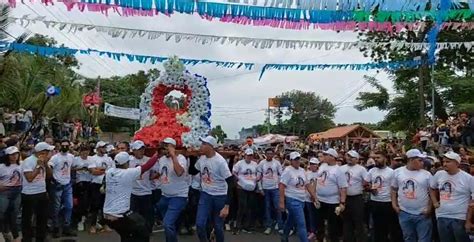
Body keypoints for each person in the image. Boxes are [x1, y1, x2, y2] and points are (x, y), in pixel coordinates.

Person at [102, 151, 159, 242]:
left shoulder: (109, 172)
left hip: (107, 214)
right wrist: (156, 155)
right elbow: (147, 166)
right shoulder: (127, 173)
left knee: (127, 234)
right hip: (119, 215)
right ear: (125, 163)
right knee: (143, 232)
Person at [195, 136, 233, 242]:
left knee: (218, 226)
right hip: (206, 194)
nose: (201, 146)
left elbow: (231, 183)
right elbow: (193, 171)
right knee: (200, 224)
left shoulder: (220, 162)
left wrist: (226, 206)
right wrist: (192, 155)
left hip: (220, 196)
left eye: (203, 144)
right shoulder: (202, 158)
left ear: (210, 147)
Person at [391, 148, 433, 242]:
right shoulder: (397, 172)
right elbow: (394, 189)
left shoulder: (427, 174)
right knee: (409, 238)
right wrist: (394, 205)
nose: (423, 163)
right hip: (404, 212)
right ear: (411, 160)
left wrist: (429, 208)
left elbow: (432, 193)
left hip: (422, 213)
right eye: (420, 160)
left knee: (424, 239)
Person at [431, 151, 473, 242]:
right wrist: (434, 202)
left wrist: (468, 220)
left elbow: (472, 201)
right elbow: (432, 188)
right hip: (441, 215)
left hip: (459, 217)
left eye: (448, 162)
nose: (444, 164)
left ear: (457, 163)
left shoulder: (468, 178)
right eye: (444, 161)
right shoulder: (439, 174)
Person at [156, 138, 189, 242]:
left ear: (173, 147)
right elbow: (161, 173)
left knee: (167, 224)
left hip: (178, 196)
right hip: (164, 196)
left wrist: (173, 155)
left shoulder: (181, 158)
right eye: (163, 145)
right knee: (168, 224)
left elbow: (179, 172)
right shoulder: (161, 159)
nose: (164, 148)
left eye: (167, 146)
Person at [365, 150, 402, 242]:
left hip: (388, 203)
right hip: (375, 202)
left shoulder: (391, 172)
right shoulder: (372, 171)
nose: (376, 160)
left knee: (391, 227)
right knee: (377, 227)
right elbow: (365, 183)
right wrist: (370, 188)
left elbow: (395, 188)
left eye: (378, 158)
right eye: (375, 158)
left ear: (385, 158)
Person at [279, 151, 317, 242]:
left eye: (298, 159)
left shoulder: (302, 170)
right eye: (295, 159)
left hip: (302, 199)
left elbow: (307, 185)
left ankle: (284, 236)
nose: (297, 161)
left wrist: (314, 197)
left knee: (290, 220)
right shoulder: (288, 171)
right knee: (301, 223)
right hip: (292, 199)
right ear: (291, 160)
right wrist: (281, 202)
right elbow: (281, 185)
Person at [21, 142, 53, 242]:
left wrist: (46, 164)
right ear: (41, 152)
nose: (49, 153)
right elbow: (29, 178)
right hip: (29, 194)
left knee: (42, 218)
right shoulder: (28, 161)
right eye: (47, 151)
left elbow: (49, 176)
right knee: (27, 219)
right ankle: (27, 238)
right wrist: (38, 166)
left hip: (42, 192)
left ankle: (40, 238)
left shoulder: (44, 161)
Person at [315, 148, 347, 242]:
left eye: (326, 155)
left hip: (332, 201)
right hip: (320, 199)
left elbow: (343, 187)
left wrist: (342, 202)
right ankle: (320, 239)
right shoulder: (322, 166)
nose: (324, 156)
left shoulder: (338, 170)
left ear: (332, 157)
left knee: (332, 225)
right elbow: (317, 180)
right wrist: (315, 197)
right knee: (319, 224)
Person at [339, 150, 368, 242]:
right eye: (348, 156)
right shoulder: (341, 168)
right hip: (344, 198)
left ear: (357, 159)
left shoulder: (361, 169)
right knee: (346, 221)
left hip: (356, 198)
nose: (349, 158)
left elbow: (367, 181)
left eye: (352, 157)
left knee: (358, 221)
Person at [49, 139, 76, 238]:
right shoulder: (55, 157)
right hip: (57, 185)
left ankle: (66, 227)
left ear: (69, 146)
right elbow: (50, 168)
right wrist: (53, 180)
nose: (65, 147)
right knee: (56, 208)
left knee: (69, 206)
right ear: (60, 146)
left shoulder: (71, 157)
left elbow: (72, 168)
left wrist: (72, 179)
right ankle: (55, 228)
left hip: (68, 184)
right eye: (63, 145)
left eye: (66, 145)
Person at [88, 141, 115, 234]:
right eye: (103, 147)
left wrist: (100, 169)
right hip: (96, 184)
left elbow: (113, 170)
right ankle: (93, 225)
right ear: (98, 148)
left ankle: (105, 224)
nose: (104, 149)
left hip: (107, 183)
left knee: (105, 206)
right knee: (95, 205)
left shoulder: (109, 159)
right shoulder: (92, 158)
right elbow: (93, 171)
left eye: (105, 147)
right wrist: (104, 171)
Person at [129, 140, 154, 237]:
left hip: (146, 192)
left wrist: (152, 177)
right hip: (133, 192)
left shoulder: (148, 159)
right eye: (139, 150)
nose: (141, 152)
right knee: (133, 214)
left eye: (142, 149)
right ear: (134, 150)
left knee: (148, 214)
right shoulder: (129, 161)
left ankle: (147, 231)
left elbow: (157, 171)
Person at [256, 148, 283, 235]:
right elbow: (258, 176)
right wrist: (260, 188)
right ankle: (268, 226)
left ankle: (280, 225)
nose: (269, 155)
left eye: (271, 153)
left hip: (275, 188)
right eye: (268, 153)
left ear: (273, 154)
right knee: (267, 208)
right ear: (265, 154)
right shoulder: (262, 163)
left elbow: (281, 175)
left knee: (277, 207)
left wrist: (279, 185)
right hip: (265, 188)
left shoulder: (277, 163)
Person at [232, 148, 258, 234]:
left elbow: (258, 174)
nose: (249, 157)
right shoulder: (240, 163)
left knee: (250, 207)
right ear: (245, 155)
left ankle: (247, 225)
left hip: (251, 187)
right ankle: (238, 225)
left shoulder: (255, 164)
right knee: (242, 206)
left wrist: (257, 180)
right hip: (242, 187)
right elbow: (234, 172)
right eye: (248, 155)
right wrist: (238, 182)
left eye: (251, 155)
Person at [0, 146, 22, 242]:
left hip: (18, 191)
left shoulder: (22, 164)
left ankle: (14, 235)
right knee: (2, 214)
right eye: (12, 154)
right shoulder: (2, 167)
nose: (15, 156)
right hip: (5, 192)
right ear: (7, 156)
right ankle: (3, 232)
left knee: (14, 214)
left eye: (16, 153)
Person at [71, 145, 92, 232]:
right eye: (83, 151)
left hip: (90, 182)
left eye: (86, 150)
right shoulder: (76, 159)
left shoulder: (91, 159)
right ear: (80, 151)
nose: (85, 152)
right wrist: (80, 168)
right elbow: (71, 169)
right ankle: (80, 220)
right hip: (80, 183)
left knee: (89, 202)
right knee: (81, 203)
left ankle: (85, 218)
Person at [305, 157, 320, 240]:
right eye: (311, 164)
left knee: (316, 215)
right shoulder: (307, 173)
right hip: (307, 198)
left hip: (317, 198)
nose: (312, 165)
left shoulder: (320, 173)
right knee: (309, 215)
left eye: (314, 164)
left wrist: (314, 196)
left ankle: (315, 231)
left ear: (317, 165)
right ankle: (311, 230)